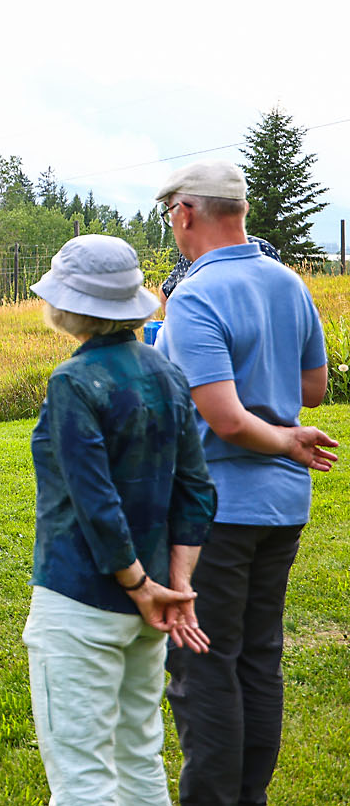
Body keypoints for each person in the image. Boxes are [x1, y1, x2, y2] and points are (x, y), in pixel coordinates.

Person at [154, 160, 339, 806]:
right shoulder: (288, 282)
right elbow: (313, 389)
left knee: (206, 666)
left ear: (185, 212)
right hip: (284, 507)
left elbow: (226, 419)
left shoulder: (197, 295)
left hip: (218, 513)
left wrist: (281, 435)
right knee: (259, 658)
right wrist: (284, 424)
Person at [24, 235, 217, 806]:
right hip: (152, 603)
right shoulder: (165, 372)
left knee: (82, 778)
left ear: (68, 305)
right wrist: (172, 586)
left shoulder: (72, 383)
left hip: (81, 597)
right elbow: (197, 490)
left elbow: (95, 501)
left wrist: (138, 582)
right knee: (138, 758)